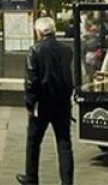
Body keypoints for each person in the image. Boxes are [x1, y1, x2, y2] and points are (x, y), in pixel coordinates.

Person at [16, 16, 74, 185]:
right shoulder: (66, 50)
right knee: (64, 144)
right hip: (62, 103)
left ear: (40, 32)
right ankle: (67, 181)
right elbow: (69, 77)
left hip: (42, 103)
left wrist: (29, 104)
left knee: (33, 142)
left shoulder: (35, 50)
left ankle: (31, 177)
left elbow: (31, 81)